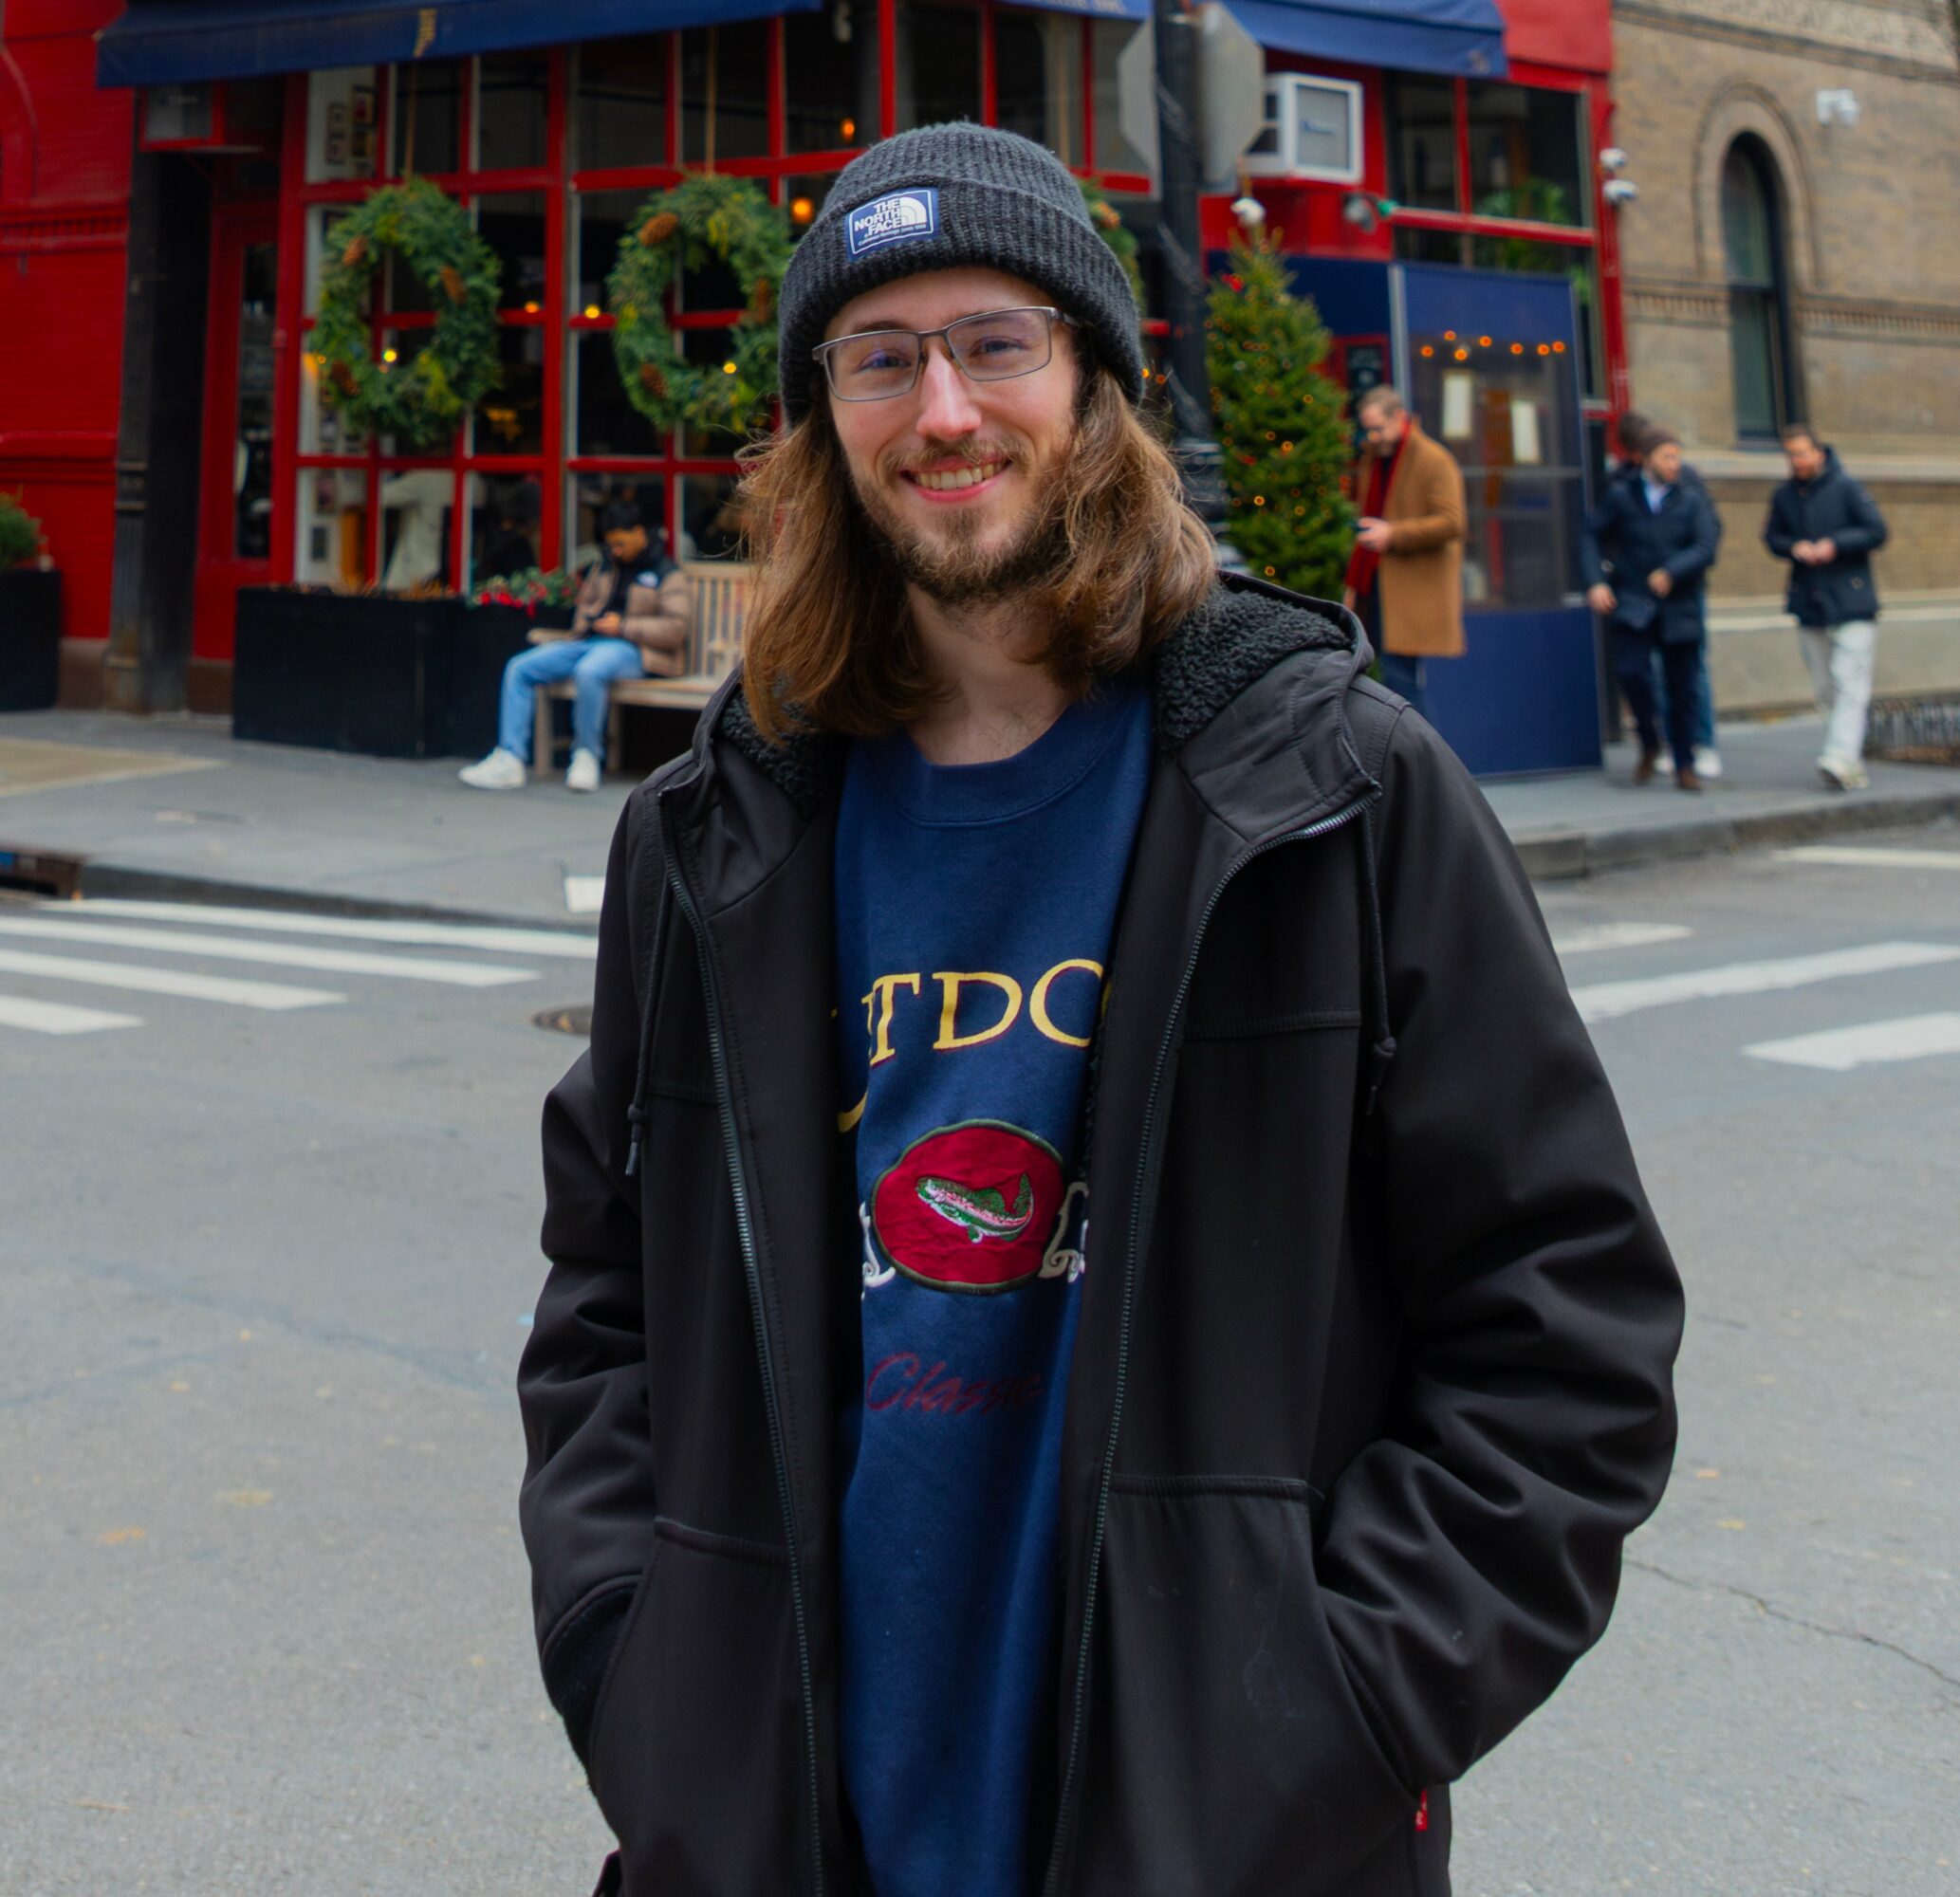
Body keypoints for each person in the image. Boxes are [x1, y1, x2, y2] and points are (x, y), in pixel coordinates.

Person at [516, 124, 1682, 1897]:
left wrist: (1326, 1713)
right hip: (776, 1835)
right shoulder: (710, 834)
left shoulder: (1335, 790)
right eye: (878, 359)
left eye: (996, 343)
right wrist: (639, 1666)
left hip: (1227, 1841)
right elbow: (605, 1304)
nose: (943, 412)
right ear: (823, 417)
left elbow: (1564, 1323)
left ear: (1096, 383)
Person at [459, 501, 691, 793]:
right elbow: (584, 605)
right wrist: (589, 621)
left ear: (639, 532)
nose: (615, 551)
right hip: (588, 641)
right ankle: (510, 758)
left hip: (636, 650)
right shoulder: (605, 565)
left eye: (621, 543)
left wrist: (623, 626)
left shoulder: (666, 572)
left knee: (589, 670)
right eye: (611, 545)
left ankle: (586, 755)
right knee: (520, 667)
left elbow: (675, 629)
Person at [1585, 428, 1722, 790]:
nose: (1674, 464)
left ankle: (1685, 763)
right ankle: (1649, 741)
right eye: (1667, 457)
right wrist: (1597, 581)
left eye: (1677, 456)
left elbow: (1706, 546)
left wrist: (1673, 571)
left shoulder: (1691, 499)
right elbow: (1591, 535)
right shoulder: (1621, 496)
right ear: (1646, 461)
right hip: (1634, 601)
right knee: (1633, 674)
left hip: (1680, 605)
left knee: (1683, 686)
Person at [1765, 424, 1889, 791]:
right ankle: (1848, 761)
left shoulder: (1847, 487)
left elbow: (1876, 531)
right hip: (1810, 600)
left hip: (1851, 599)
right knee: (1824, 686)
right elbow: (1772, 537)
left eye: (1802, 454)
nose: (1797, 461)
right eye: (1791, 455)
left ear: (1819, 453)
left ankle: (1837, 755)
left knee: (1849, 679)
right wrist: (1794, 547)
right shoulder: (1784, 495)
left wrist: (1835, 544)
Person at [1340, 383, 1466, 721]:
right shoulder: (1374, 457)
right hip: (1377, 583)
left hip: (1411, 588)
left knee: (1400, 681)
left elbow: (1452, 522)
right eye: (1368, 430)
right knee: (1388, 679)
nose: (1373, 437)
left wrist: (1393, 533)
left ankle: (1423, 752)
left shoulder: (1433, 459)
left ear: (1399, 417)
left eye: (1378, 428)